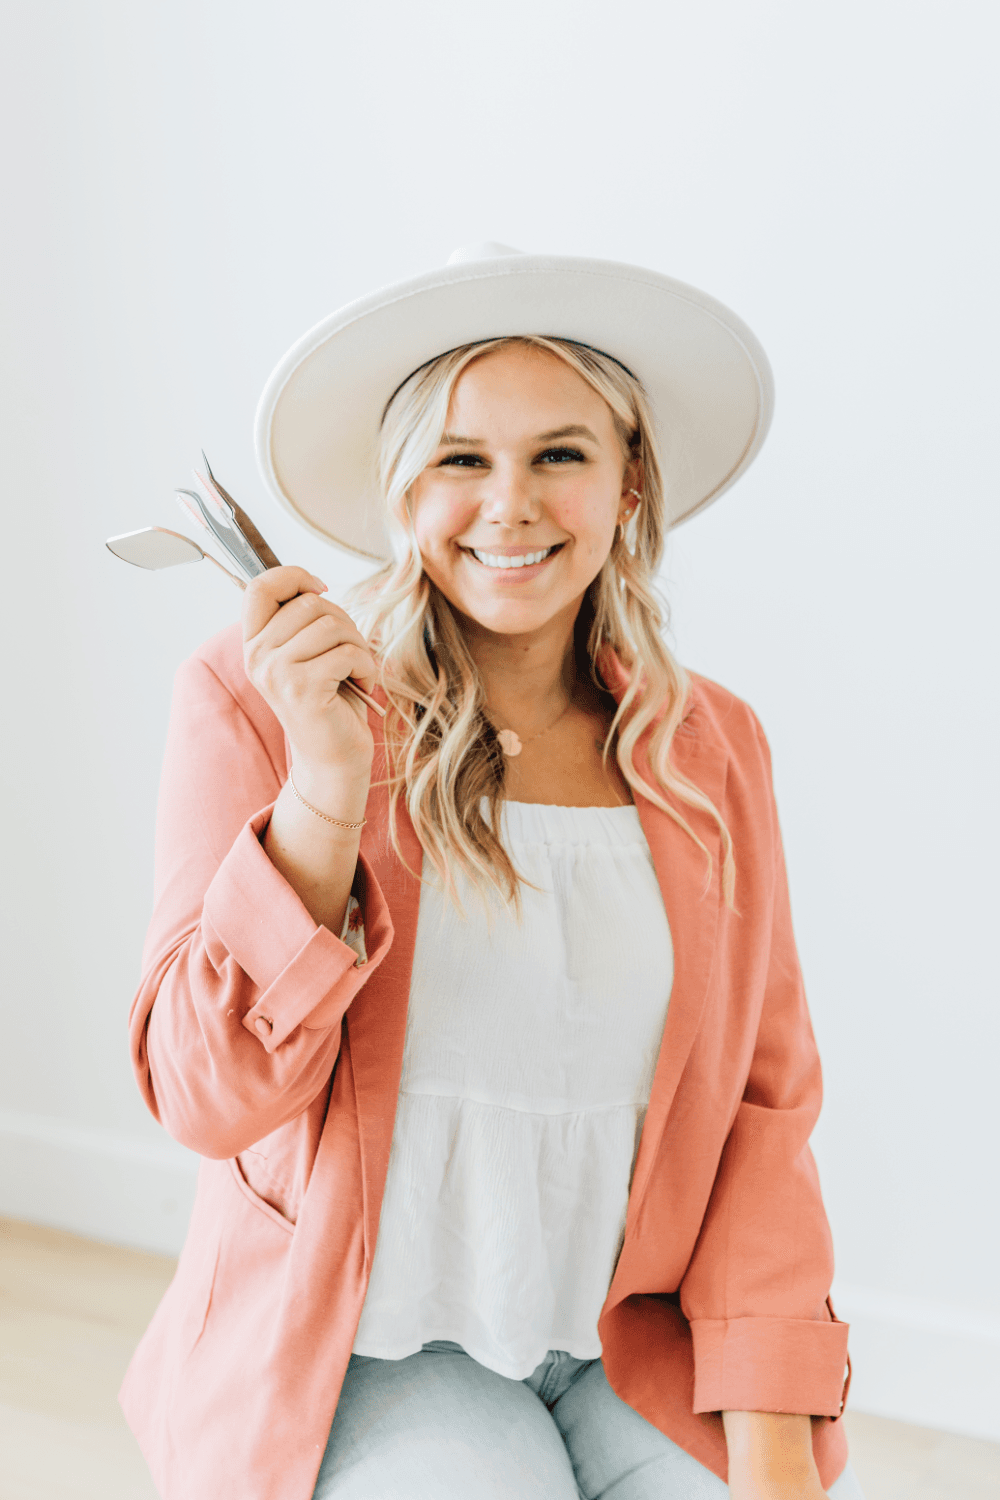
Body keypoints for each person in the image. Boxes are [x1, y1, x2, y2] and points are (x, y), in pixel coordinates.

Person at [120, 244, 866, 1500]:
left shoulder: (711, 749)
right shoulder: (257, 705)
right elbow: (207, 1099)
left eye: (560, 455)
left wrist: (775, 1447)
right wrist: (322, 789)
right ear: (402, 492)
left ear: (630, 483)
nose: (509, 505)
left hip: (633, 1337)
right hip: (365, 1344)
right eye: (461, 460)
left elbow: (761, 1112)